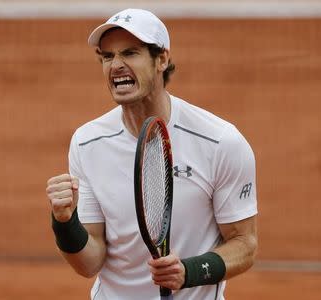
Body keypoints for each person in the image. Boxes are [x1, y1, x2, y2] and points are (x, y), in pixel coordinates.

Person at [46, 8, 258, 300]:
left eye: (130, 53)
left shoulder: (219, 141)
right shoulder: (87, 143)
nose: (116, 65)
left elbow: (245, 243)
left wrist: (190, 271)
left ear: (162, 60)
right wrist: (64, 223)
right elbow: (90, 262)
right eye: (107, 57)